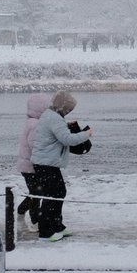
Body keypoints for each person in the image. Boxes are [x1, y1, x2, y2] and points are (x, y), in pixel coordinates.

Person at [30, 90, 92, 242]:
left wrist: (66, 125)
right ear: (62, 106)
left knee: (58, 193)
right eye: (68, 108)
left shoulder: (50, 115)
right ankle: (45, 232)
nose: (68, 111)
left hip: (45, 162)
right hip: (46, 163)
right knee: (52, 195)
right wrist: (87, 134)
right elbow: (67, 139)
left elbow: (58, 133)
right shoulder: (54, 118)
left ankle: (57, 225)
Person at [15, 93, 51, 229]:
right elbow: (35, 145)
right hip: (31, 166)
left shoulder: (31, 122)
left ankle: (23, 213)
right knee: (37, 193)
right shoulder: (36, 125)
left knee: (36, 192)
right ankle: (34, 221)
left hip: (27, 165)